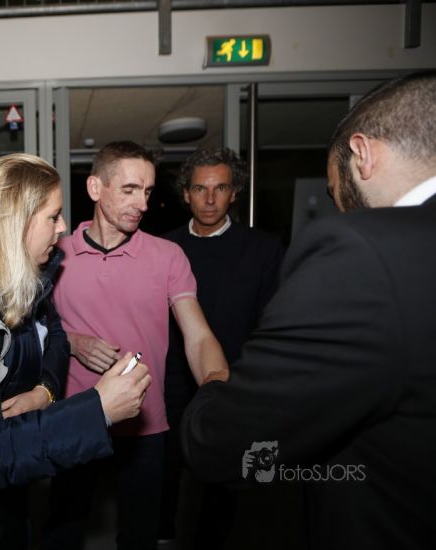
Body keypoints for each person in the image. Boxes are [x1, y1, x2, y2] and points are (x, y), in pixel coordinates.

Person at [181, 71, 436, 549]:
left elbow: (225, 442)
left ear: (362, 154)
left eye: (335, 190)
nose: (339, 204)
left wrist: (215, 384)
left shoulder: (359, 251)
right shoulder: (169, 247)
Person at [0, 153, 152, 550]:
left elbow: (54, 335)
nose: (64, 227)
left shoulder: (20, 275)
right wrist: (97, 410)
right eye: (53, 216)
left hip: (9, 484)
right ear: (15, 222)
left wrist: (45, 392)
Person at [41, 141, 228, 550]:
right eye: (129, 190)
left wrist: (216, 385)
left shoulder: (168, 256)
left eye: (147, 191)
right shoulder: (55, 255)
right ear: (95, 188)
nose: (142, 204)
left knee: (140, 535)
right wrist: (72, 342)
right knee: (62, 532)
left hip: (145, 423)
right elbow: (29, 333)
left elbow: (197, 335)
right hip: (75, 416)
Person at [158, 147, 283, 547]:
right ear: (186, 194)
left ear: (234, 193)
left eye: (221, 188)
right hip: (171, 383)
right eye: (200, 188)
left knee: (220, 485)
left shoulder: (263, 249)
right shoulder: (165, 249)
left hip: (232, 383)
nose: (210, 199)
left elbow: (271, 324)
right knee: (164, 475)